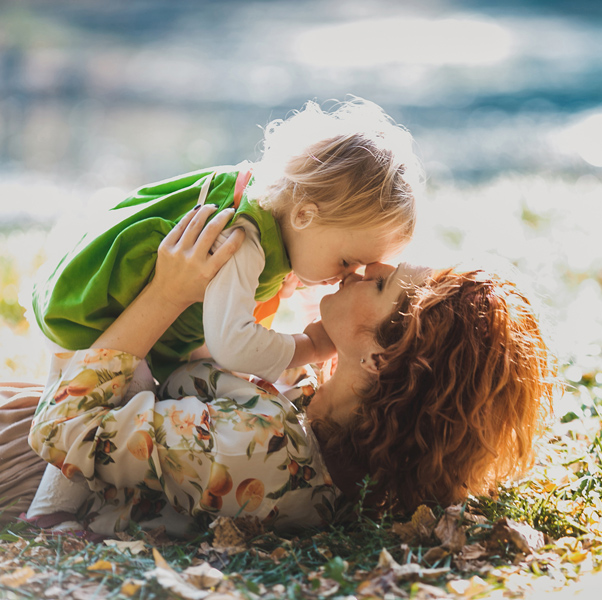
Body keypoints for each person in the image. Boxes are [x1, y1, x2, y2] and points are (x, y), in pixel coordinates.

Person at [16, 195, 555, 536]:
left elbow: (64, 428)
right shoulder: (324, 421)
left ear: (379, 358)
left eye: (384, 284)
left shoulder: (261, 451)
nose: (369, 266)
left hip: (21, 463)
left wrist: (166, 294)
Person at [32, 97, 423, 386]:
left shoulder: (265, 205)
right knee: (136, 400)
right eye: (344, 262)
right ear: (305, 215)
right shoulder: (243, 239)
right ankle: (59, 501)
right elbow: (231, 344)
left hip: (86, 304)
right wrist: (311, 346)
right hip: (89, 328)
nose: (345, 277)